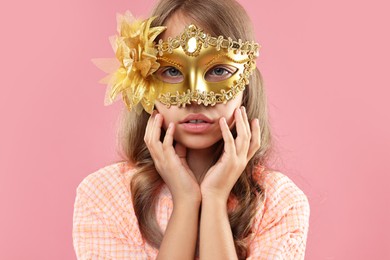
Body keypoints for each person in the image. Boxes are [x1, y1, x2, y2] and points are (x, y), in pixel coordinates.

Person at [72, 0, 310, 259]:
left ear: (247, 82)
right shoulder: (106, 196)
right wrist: (185, 202)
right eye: (172, 70)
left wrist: (216, 197)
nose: (195, 96)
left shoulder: (280, 203)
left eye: (218, 70)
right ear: (143, 78)